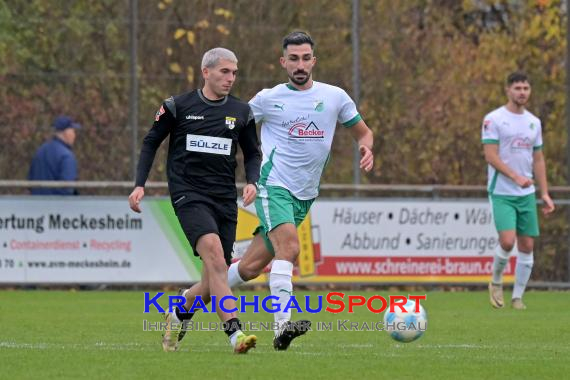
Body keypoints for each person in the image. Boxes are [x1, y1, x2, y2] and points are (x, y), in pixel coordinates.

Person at [172, 31, 374, 351]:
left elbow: (363, 132)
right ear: (283, 62)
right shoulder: (268, 98)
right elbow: (231, 123)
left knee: (249, 269)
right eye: (293, 58)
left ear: (314, 61)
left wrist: (366, 148)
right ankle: (282, 327)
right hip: (272, 186)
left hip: (304, 196)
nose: (300, 64)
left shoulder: (335, 96)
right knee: (290, 248)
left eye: (306, 58)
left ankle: (182, 306)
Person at [128, 47, 262, 353]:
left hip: (225, 199)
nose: (231, 78)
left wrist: (252, 180)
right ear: (206, 72)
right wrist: (139, 184)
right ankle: (235, 335)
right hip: (189, 194)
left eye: (234, 72)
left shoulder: (242, 112)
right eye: (225, 71)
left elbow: (253, 152)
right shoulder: (178, 106)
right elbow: (151, 143)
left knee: (215, 275)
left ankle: (177, 314)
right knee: (215, 257)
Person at [482, 72, 555, 310]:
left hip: (526, 194)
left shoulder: (534, 122)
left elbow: (539, 159)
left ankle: (517, 298)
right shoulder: (494, 119)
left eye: (526, 88)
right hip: (502, 191)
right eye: (517, 88)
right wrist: (515, 177)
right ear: (508, 90)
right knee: (507, 240)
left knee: (526, 246)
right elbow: (490, 156)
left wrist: (544, 193)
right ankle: (495, 281)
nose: (522, 92)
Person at [28, 115, 81, 195]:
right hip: (57, 205)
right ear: (66, 133)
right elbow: (67, 189)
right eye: (73, 131)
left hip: (36, 204)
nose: (74, 135)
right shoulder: (66, 156)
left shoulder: (41, 150)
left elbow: (30, 181)